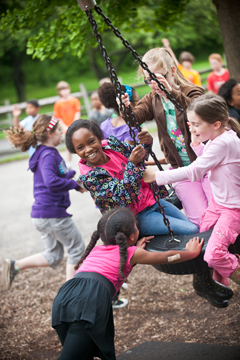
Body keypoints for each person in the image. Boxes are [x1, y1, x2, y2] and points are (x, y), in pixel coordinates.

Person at [52, 206, 204, 360]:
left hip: (65, 296)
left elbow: (117, 261)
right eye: (136, 227)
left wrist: (135, 248)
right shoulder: (133, 253)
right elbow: (168, 257)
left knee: (81, 354)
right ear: (131, 237)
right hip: (90, 300)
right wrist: (191, 253)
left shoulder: (97, 250)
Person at [143, 93, 240, 288]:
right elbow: (211, 158)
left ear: (216, 124)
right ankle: (220, 278)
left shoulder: (224, 142)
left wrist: (157, 177)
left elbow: (195, 170)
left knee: (212, 255)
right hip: (218, 204)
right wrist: (196, 141)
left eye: (196, 124)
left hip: (233, 209)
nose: (191, 128)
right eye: (191, 124)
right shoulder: (218, 137)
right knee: (201, 238)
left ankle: (236, 270)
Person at [120, 46, 211, 228]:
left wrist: (172, 92)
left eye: (158, 78)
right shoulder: (153, 98)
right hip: (181, 167)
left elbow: (200, 112)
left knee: (220, 212)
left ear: (172, 71)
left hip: (207, 164)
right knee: (200, 219)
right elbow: (135, 118)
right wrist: (125, 107)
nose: (154, 84)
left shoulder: (191, 91)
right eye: (149, 80)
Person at [2, 115, 85, 290]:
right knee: (76, 248)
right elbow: (51, 182)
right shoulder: (47, 154)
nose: (62, 133)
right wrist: (73, 184)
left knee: (54, 255)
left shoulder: (44, 152)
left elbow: (57, 174)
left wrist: (71, 177)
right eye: (59, 130)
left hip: (42, 215)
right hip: (52, 214)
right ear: (49, 133)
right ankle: (70, 295)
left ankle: (15, 265)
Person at [54, 81, 81, 169]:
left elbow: (77, 112)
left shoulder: (74, 100)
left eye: (66, 89)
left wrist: (74, 123)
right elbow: (58, 117)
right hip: (65, 128)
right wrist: (65, 127)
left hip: (75, 126)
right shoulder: (58, 104)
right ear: (59, 92)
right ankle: (69, 163)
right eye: (62, 90)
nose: (64, 92)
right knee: (68, 145)